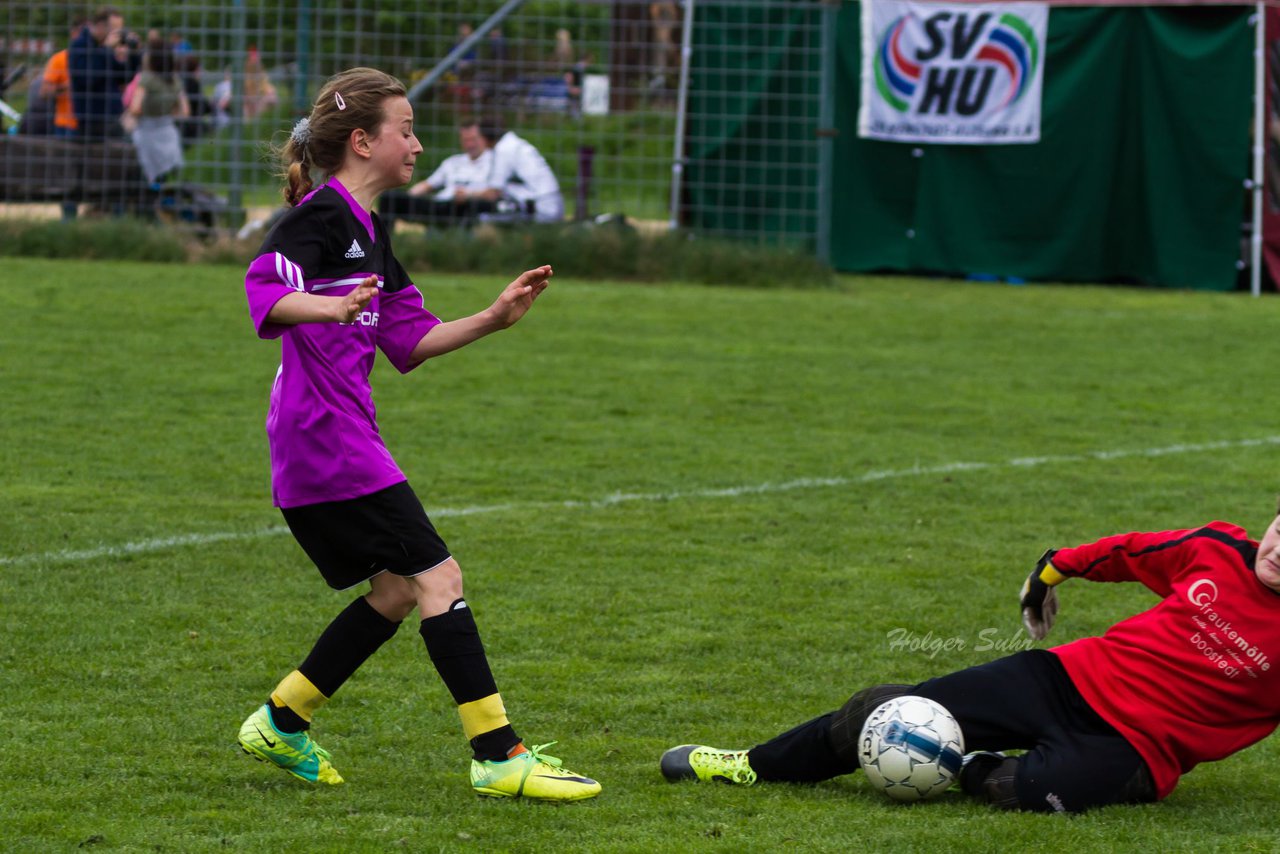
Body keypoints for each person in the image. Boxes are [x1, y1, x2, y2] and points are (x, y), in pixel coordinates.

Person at [236, 66, 600, 803]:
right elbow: (265, 293)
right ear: (364, 141)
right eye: (406, 129)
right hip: (325, 441)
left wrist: (493, 318)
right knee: (440, 579)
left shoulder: (372, 230)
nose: (419, 142)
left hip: (334, 440)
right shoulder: (318, 219)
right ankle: (499, 755)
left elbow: (412, 340)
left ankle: (283, 718)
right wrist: (329, 310)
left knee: (399, 592)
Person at [660, 508, 1280, 813]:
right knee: (885, 710)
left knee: (1033, 790)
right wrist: (1048, 573)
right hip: (1065, 678)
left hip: (1140, 745)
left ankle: (970, 764)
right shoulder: (1218, 550)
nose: (1278, 548)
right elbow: (1124, 551)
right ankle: (747, 764)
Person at [377, 120, 502, 230]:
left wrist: (469, 194)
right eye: (465, 140)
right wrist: (409, 196)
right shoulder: (453, 162)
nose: (470, 144)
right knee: (390, 197)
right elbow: (428, 184)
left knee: (468, 206)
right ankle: (382, 244)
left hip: (469, 206)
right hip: (441, 205)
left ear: (484, 138)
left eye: (473, 139)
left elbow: (495, 193)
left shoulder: (496, 161)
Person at [125, 37, 189, 185]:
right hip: (168, 132)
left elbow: (135, 108)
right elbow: (185, 111)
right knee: (165, 176)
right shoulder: (175, 80)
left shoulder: (146, 79)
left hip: (147, 132)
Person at [68, 5, 134, 140]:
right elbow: (87, 79)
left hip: (112, 118)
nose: (118, 35)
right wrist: (106, 49)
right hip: (92, 123)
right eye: (115, 30)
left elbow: (123, 78)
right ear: (100, 26)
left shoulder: (103, 47)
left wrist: (133, 55)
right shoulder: (80, 45)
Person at [490, 125, 564, 223]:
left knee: (488, 215)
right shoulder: (514, 143)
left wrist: (468, 194)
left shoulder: (503, 149)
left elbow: (495, 190)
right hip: (555, 201)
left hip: (541, 209)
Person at [241, 46, 277, 120]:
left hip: (258, 99)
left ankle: (257, 119)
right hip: (247, 100)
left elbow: (266, 87)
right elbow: (243, 89)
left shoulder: (262, 74)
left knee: (271, 96)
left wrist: (270, 91)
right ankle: (248, 121)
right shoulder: (245, 74)